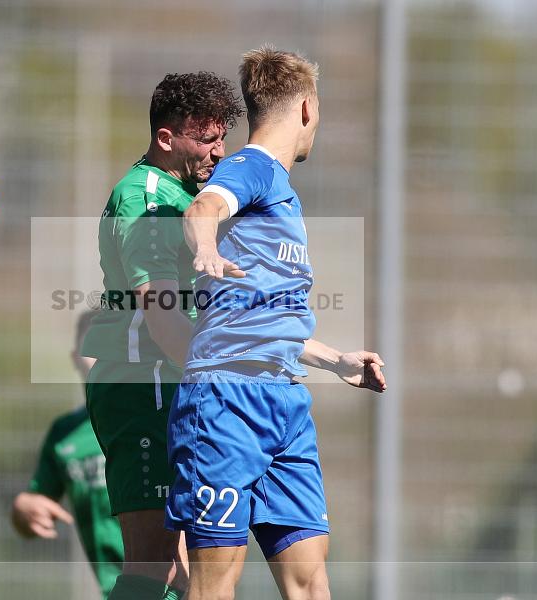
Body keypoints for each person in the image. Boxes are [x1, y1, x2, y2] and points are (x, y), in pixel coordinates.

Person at [165, 47, 388, 600]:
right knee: (216, 581)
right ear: (308, 109)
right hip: (226, 404)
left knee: (310, 581)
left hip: (283, 404)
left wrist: (335, 360)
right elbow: (203, 209)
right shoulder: (253, 166)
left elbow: (267, 319)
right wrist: (207, 247)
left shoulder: (283, 198)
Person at [80, 72, 244, 600]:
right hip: (142, 382)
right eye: (206, 140)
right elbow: (160, 310)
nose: (218, 152)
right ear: (166, 138)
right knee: (152, 561)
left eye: (223, 139)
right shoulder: (149, 197)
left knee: (182, 570)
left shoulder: (182, 192)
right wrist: (218, 377)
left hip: (162, 382)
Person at [11, 310, 123, 598]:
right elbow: (36, 503)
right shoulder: (65, 434)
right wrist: (22, 511)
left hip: (174, 582)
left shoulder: (158, 417)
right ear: (75, 358)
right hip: (112, 589)